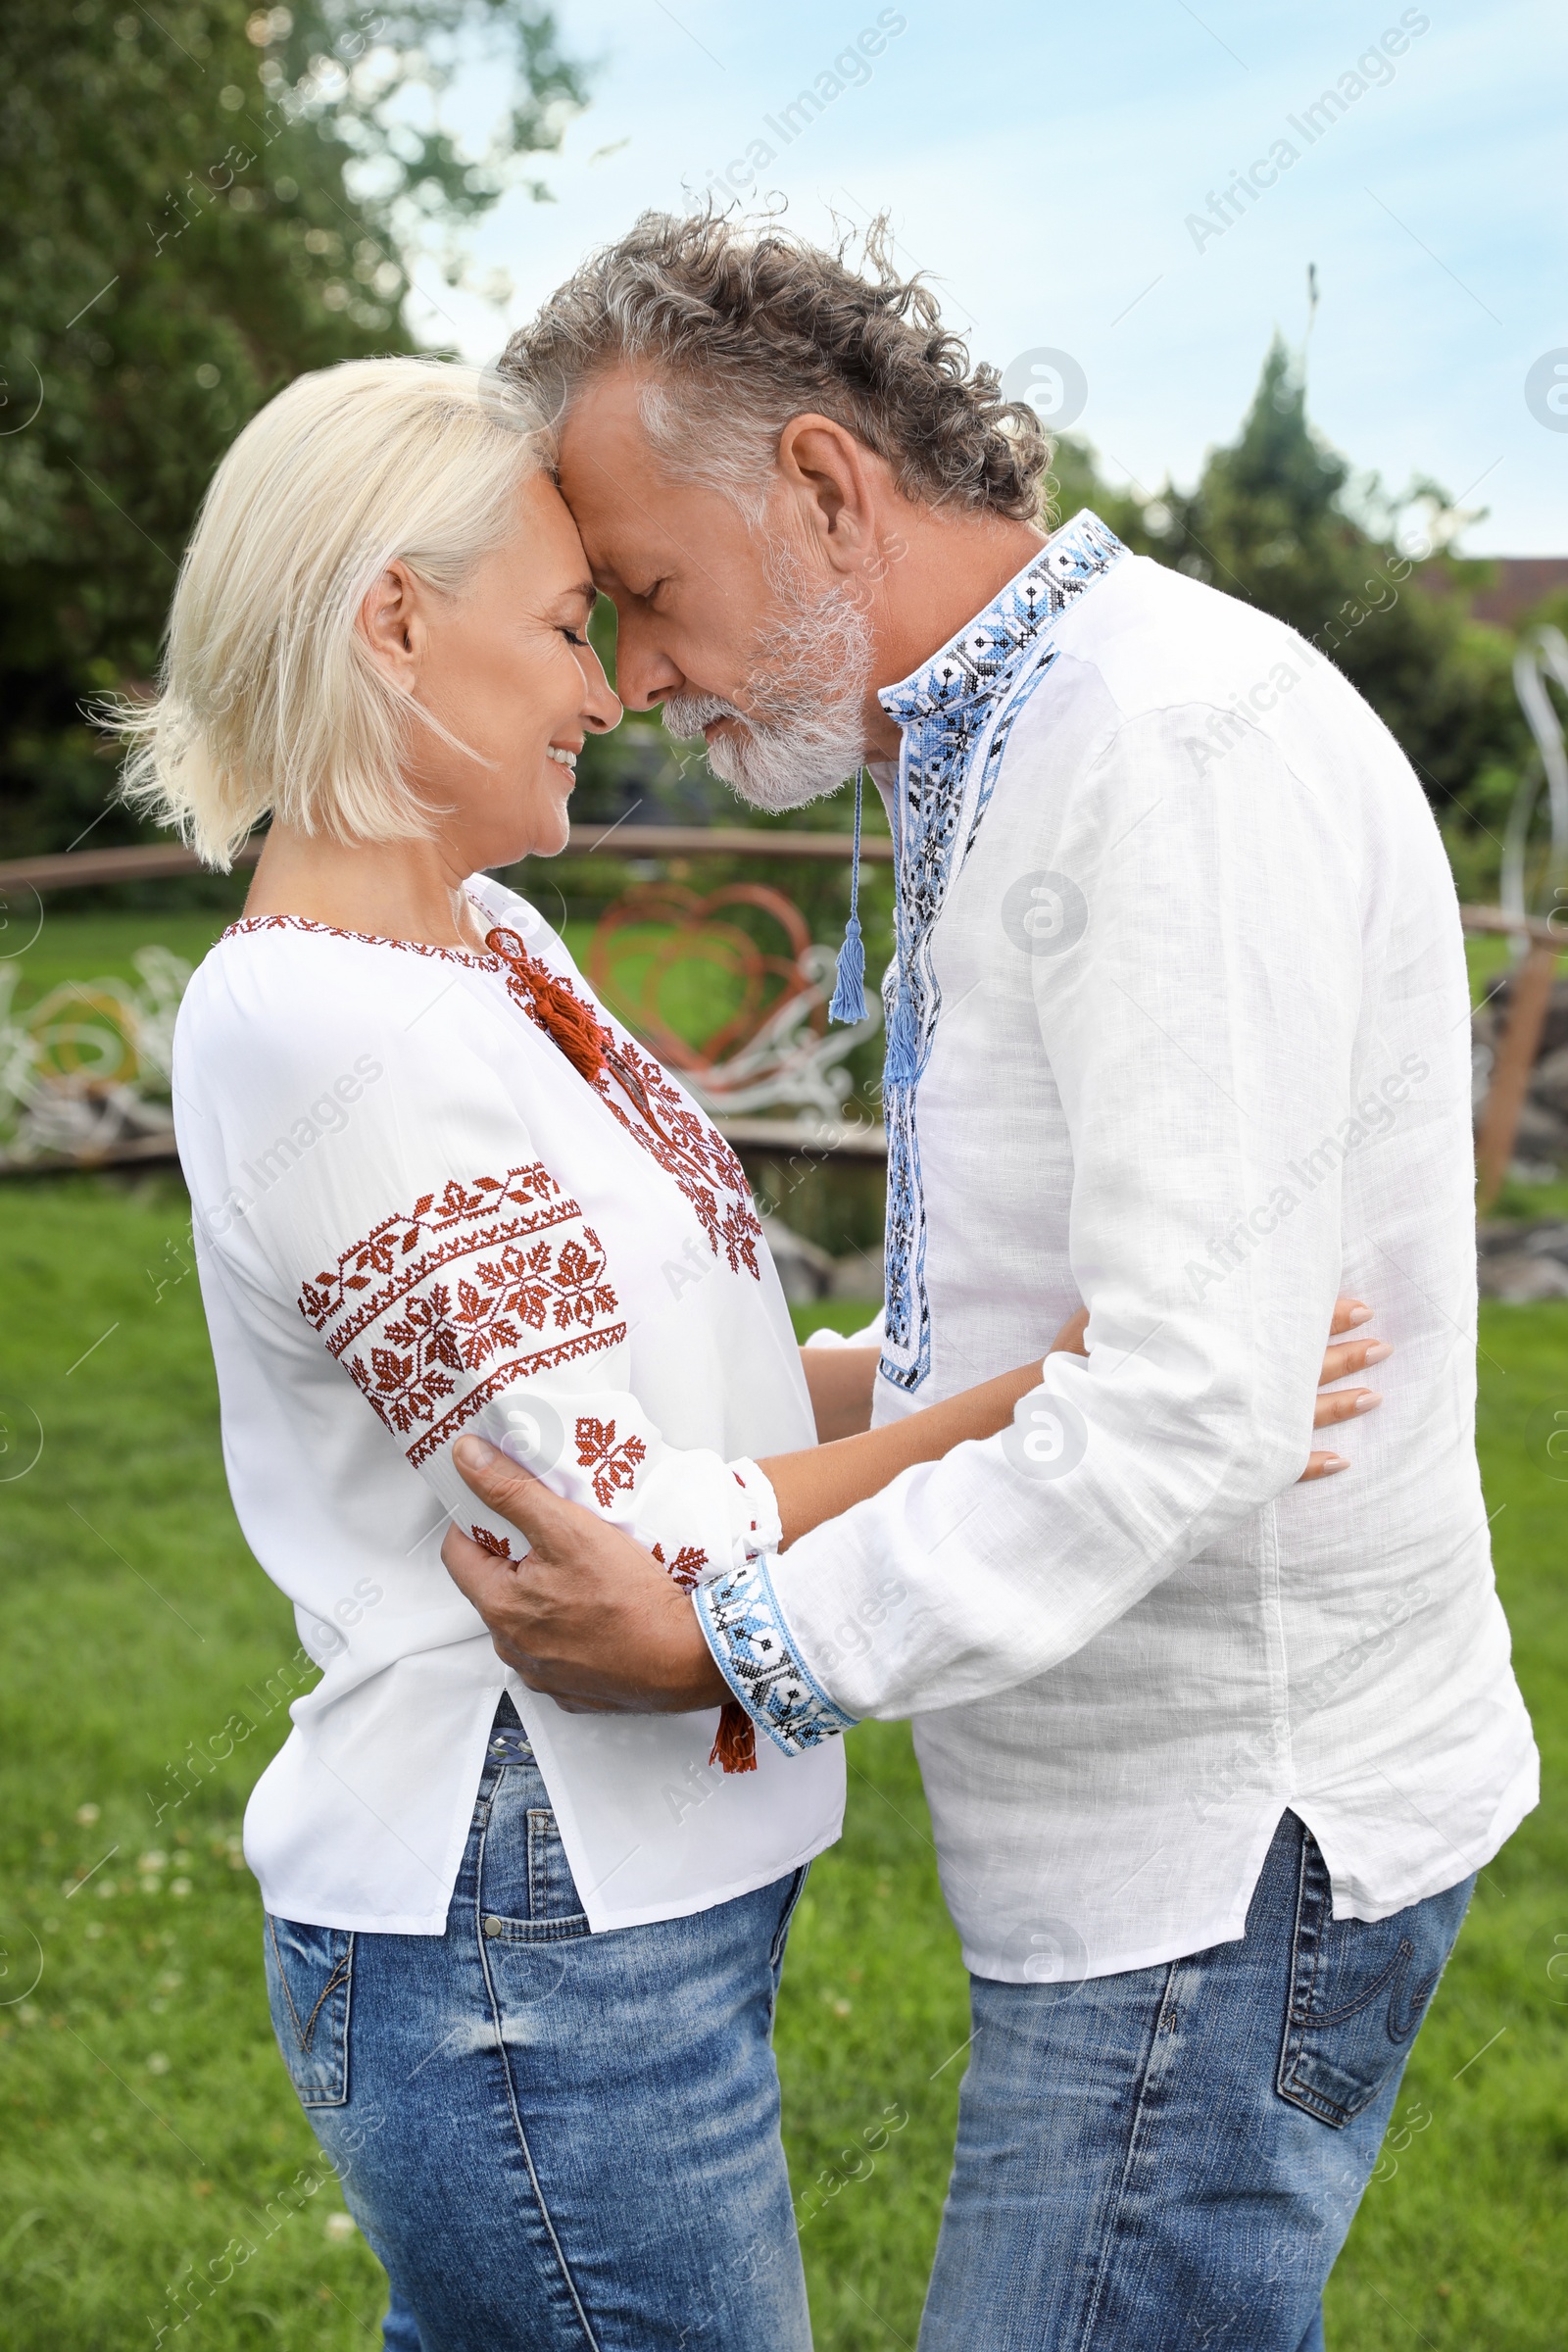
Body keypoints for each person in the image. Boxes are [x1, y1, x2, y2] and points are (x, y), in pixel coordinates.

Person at [121, 355, 1367, 2352]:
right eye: (556, 628)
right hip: (516, 1910)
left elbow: (696, 1396)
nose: (607, 688)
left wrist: (1130, 1364)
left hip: (632, 1899)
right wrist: (1074, 1401)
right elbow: (618, 1523)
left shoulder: (496, 953)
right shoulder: (311, 1029)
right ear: (389, 621)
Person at [440, 212, 1541, 2352]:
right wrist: (819, 1407)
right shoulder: (1021, 730)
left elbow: (1187, 1399)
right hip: (1169, 1851)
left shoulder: (1153, 747)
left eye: (649, 590)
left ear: (829, 486)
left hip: (1229, 1844)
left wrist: (721, 1641)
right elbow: (1076, 1316)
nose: (634, 672)